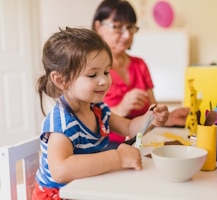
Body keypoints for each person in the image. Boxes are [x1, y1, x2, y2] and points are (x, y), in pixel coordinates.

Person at [32, 27, 169, 199]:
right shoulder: (63, 122)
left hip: (84, 187)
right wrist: (118, 158)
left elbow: (129, 127)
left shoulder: (98, 109)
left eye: (106, 72)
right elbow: (61, 170)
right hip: (59, 195)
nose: (104, 80)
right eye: (92, 75)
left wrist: (151, 118)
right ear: (61, 80)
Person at [91, 0, 190, 144]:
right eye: (117, 27)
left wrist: (167, 117)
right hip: (106, 147)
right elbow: (86, 120)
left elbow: (152, 110)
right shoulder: (90, 69)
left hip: (144, 142)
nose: (126, 35)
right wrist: (120, 109)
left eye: (130, 27)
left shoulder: (139, 64)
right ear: (98, 26)